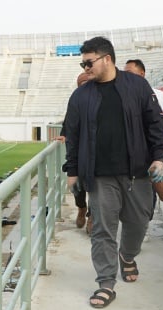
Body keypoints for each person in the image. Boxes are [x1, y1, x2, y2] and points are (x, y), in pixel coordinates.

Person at [63, 36, 163, 309]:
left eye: (89, 62)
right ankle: (106, 283)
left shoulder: (137, 85)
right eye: (82, 63)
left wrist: (160, 157)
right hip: (100, 175)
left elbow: (154, 124)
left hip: (138, 173)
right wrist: (72, 171)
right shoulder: (80, 96)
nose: (85, 68)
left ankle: (128, 255)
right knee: (102, 230)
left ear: (106, 59)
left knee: (139, 222)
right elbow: (72, 136)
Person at [124, 59, 163, 221]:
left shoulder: (158, 94)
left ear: (142, 74)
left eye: (129, 72)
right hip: (132, 151)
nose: (126, 76)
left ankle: (146, 221)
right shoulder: (124, 94)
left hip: (151, 150)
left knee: (150, 188)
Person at [58, 72, 91, 232]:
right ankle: (81, 208)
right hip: (78, 151)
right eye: (82, 84)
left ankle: (92, 215)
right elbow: (68, 122)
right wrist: (64, 135)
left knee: (97, 185)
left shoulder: (100, 99)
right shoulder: (75, 101)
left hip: (96, 150)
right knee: (77, 185)